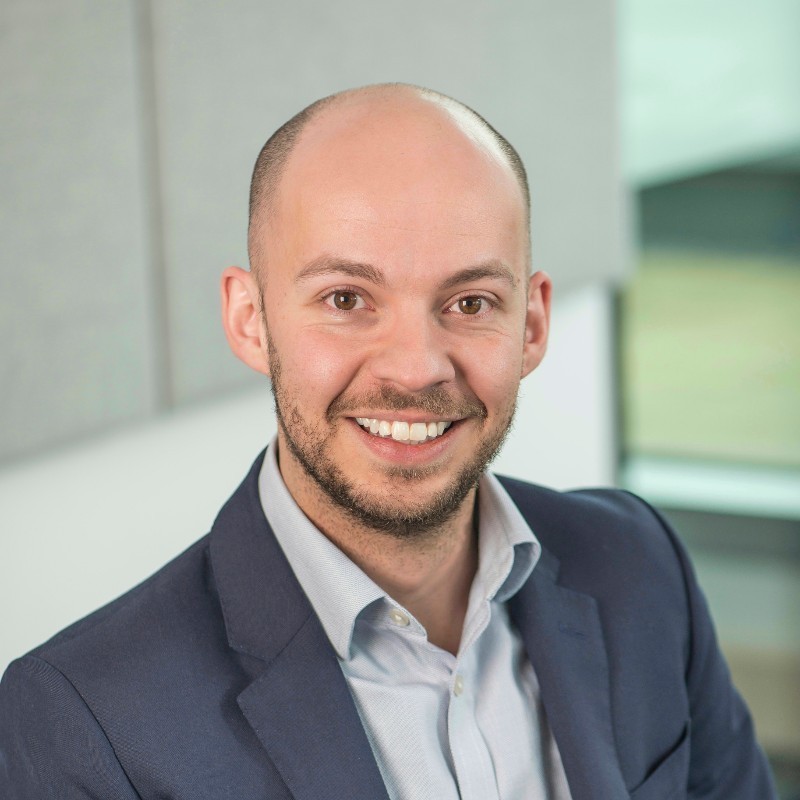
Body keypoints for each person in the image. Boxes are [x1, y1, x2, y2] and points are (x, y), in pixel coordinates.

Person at [0, 84, 776, 800]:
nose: (415, 369)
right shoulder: (83, 720)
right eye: (347, 299)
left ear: (531, 324)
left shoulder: (641, 566)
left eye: (470, 301)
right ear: (249, 318)